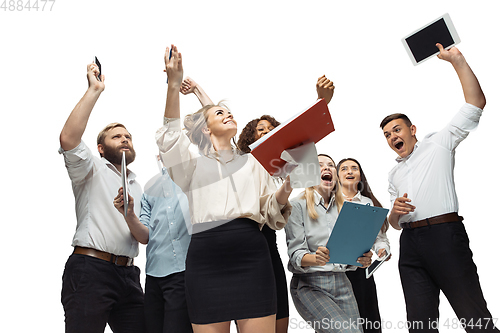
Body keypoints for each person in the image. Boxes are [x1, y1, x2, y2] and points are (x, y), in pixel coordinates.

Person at [157, 44, 293, 333]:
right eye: (220, 113)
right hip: (206, 262)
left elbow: (270, 209)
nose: (229, 115)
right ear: (206, 129)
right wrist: (173, 83)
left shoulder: (254, 163)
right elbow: (170, 138)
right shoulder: (190, 166)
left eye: (229, 112)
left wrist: (287, 188)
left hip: (252, 258)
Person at [380, 44, 498, 332]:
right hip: (410, 244)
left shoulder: (438, 144)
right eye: (386, 135)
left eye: (397, 129)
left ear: (412, 130)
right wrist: (394, 213)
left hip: (444, 236)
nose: (392, 136)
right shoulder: (393, 174)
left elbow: (475, 102)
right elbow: (393, 225)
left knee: (474, 318)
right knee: (419, 325)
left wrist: (457, 60)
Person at [233, 75, 335, 333]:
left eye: (271, 130)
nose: (266, 133)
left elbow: (304, 137)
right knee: (248, 310)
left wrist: (323, 101)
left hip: (267, 239)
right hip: (242, 237)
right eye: (260, 130)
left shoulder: (283, 164)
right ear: (249, 138)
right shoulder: (241, 164)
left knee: (278, 308)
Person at [59, 62, 145, 332]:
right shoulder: (90, 168)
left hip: (129, 275)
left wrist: (129, 214)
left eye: (128, 136)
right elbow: (68, 138)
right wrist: (94, 90)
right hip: (90, 270)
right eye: (116, 136)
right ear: (100, 147)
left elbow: (142, 236)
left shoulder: (136, 185)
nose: (124, 139)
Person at [285, 154, 372, 333]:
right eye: (320, 165)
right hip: (310, 284)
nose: (327, 168)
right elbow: (295, 256)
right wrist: (315, 258)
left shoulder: (344, 208)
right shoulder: (296, 206)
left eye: (331, 165)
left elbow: (347, 254)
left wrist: (361, 259)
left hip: (342, 281)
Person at [113, 158, 193, 333]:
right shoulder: (150, 189)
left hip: (185, 270)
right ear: (159, 156)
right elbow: (144, 236)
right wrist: (129, 214)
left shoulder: (195, 178)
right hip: (154, 275)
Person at [337, 158, 391, 333]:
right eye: (344, 169)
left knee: (368, 320)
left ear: (360, 176)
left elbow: (380, 238)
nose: (349, 171)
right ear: (337, 176)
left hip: (361, 273)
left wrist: (382, 250)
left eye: (354, 168)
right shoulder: (328, 202)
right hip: (333, 273)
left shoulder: (369, 204)